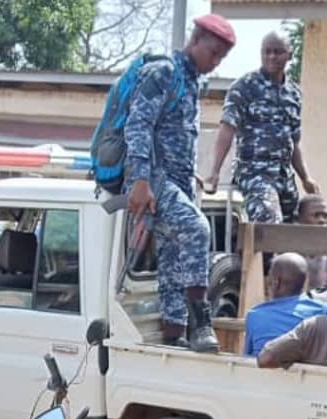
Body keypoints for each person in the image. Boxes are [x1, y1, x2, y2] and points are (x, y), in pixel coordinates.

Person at [125, 14, 235, 352]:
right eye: (213, 53)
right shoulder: (165, 72)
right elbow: (138, 125)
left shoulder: (191, 83)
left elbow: (173, 135)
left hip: (176, 179)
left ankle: (176, 333)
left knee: (173, 257)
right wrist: (142, 179)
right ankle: (202, 322)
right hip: (151, 178)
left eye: (221, 58)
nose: (214, 63)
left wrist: (189, 174)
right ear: (196, 39)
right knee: (197, 229)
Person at [205, 30, 319, 224]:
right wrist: (215, 171)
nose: (271, 57)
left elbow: (294, 143)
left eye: (278, 52)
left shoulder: (294, 94)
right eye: (267, 51)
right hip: (254, 172)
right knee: (269, 219)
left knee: (301, 226)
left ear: (290, 55)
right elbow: (227, 128)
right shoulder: (245, 86)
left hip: (283, 175)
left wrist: (305, 178)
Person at [244, 253, 327, 356]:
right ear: (304, 281)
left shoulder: (255, 315)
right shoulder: (324, 312)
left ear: (276, 282)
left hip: (261, 371)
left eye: (269, 275)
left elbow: (247, 357)